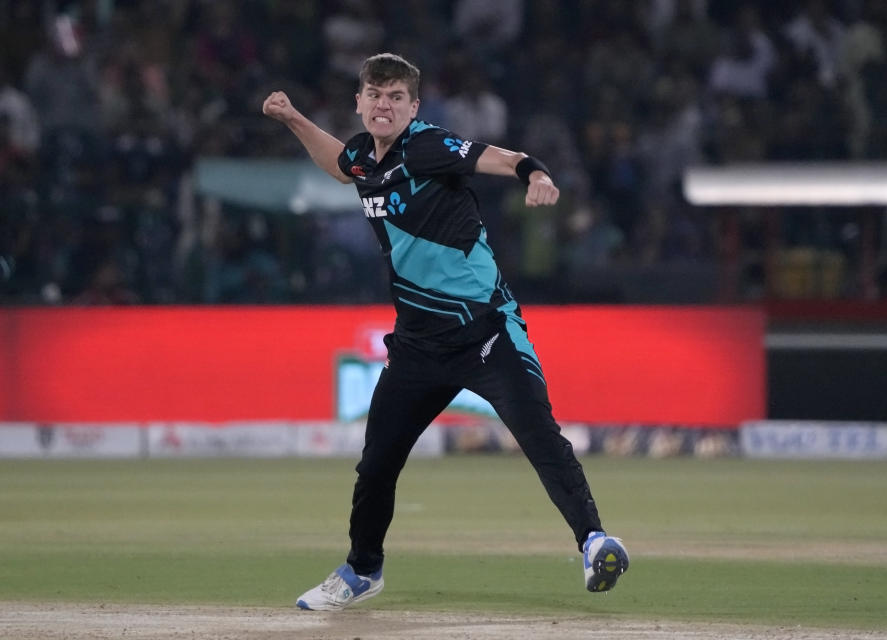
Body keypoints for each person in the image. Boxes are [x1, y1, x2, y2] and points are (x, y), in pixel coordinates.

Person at [262, 52, 628, 611]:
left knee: (539, 438)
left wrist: (537, 173)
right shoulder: (364, 155)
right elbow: (340, 164)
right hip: (416, 348)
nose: (384, 105)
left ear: (414, 107)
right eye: (375, 95)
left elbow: (501, 158)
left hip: (485, 333)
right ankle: (363, 571)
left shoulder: (429, 146)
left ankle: (594, 541)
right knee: (377, 462)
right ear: (359, 102)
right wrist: (292, 118)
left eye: (396, 98)